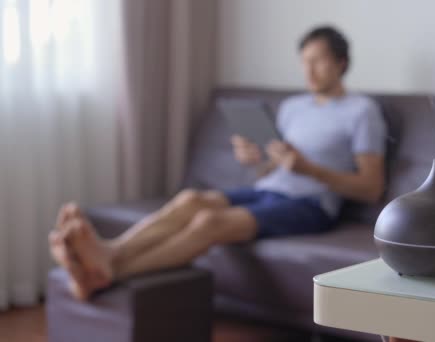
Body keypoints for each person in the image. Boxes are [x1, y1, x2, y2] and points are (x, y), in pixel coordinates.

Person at [49, 26, 387, 300]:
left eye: (318, 61)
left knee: (209, 221)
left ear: (341, 62)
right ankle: (109, 253)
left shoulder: (362, 111)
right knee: (191, 199)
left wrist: (310, 170)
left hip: (311, 204)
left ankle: (110, 272)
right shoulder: (293, 107)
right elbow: (272, 168)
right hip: (269, 189)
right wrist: (256, 159)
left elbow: (371, 188)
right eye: (304, 61)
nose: (308, 71)